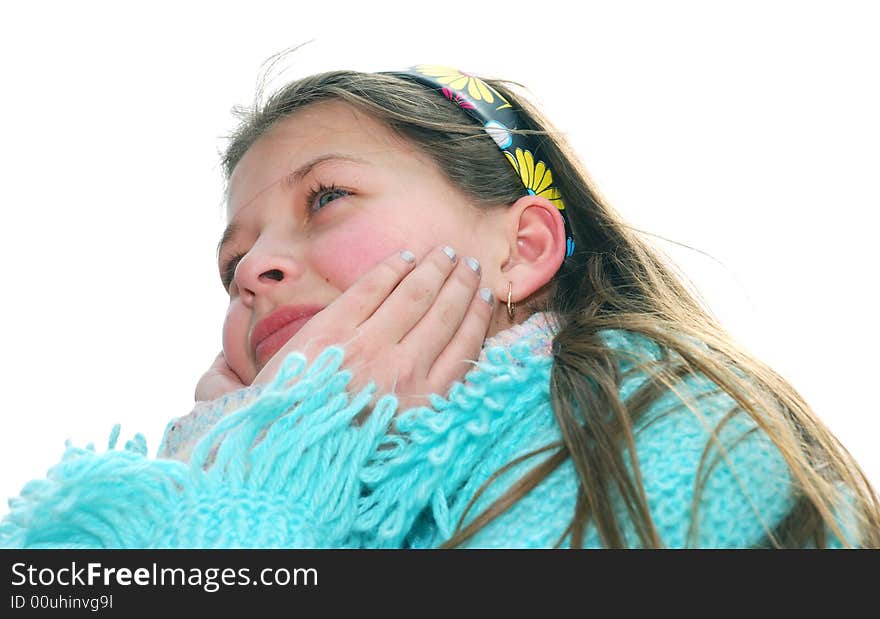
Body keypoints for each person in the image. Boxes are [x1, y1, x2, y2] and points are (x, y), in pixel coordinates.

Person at [1, 63, 877, 549]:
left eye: (327, 197)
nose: (253, 268)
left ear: (523, 248)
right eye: (233, 259)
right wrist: (235, 464)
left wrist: (265, 480)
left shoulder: (655, 420)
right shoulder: (196, 464)